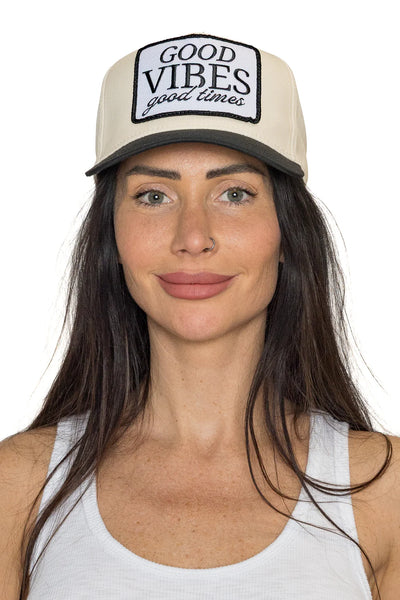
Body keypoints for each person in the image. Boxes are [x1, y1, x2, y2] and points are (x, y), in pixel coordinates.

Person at [0, 33, 398, 600]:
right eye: (153, 196)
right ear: (112, 234)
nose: (192, 237)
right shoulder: (16, 489)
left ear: (288, 232)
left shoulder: (384, 492)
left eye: (234, 194)